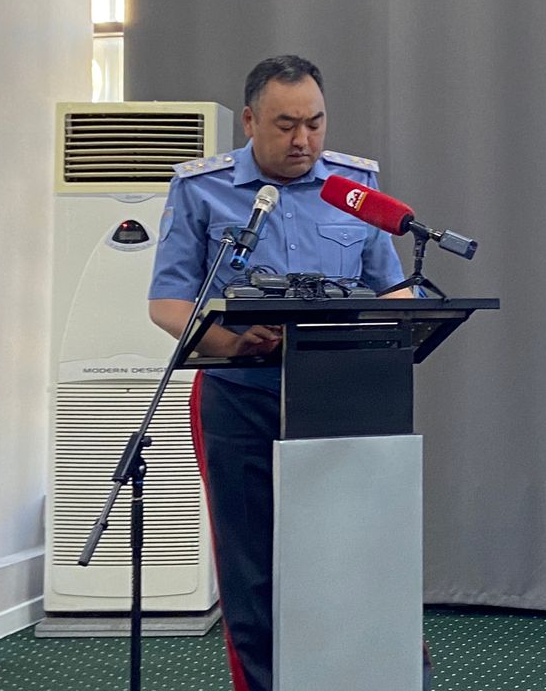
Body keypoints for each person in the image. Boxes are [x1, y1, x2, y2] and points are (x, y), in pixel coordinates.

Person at [148, 55, 416, 691]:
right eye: (286, 124)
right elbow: (168, 303)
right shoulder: (201, 189)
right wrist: (233, 343)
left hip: (340, 393)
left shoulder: (354, 188)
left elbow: (395, 291)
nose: (303, 140)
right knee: (252, 565)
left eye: (315, 123)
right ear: (249, 121)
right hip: (239, 392)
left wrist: (380, 328)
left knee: (358, 554)